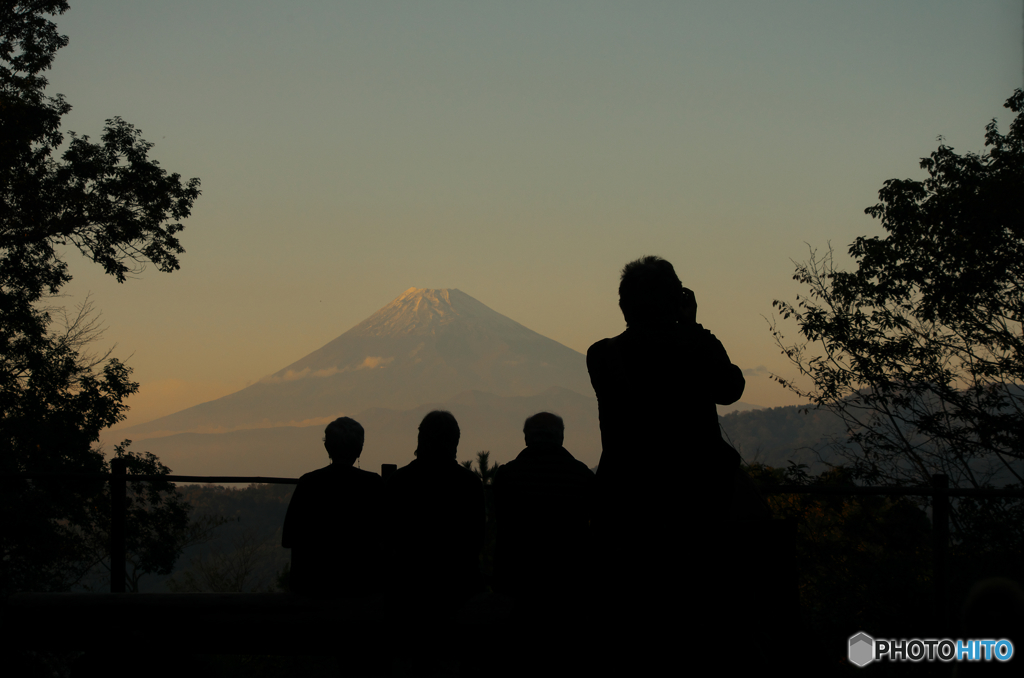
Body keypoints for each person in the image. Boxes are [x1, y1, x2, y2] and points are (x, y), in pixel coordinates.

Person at [586, 256, 746, 668]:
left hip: (627, 504)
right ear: (675, 301)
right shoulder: (694, 349)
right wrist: (692, 326)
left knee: (632, 624)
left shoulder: (603, 356)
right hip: (696, 505)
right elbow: (730, 388)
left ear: (623, 306)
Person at [383, 410, 485, 612]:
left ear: (421, 439)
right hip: (458, 587)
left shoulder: (399, 481)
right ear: (454, 442)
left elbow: (388, 536)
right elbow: (476, 538)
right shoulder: (469, 484)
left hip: (408, 587)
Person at [492, 412, 595, 604]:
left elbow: (502, 528)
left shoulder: (507, 476)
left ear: (527, 438)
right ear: (561, 437)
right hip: (570, 583)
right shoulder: (582, 476)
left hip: (518, 581)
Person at [281, 416, 383, 598]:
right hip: (362, 590)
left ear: (327, 447)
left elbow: (288, 539)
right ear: (359, 449)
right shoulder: (374, 485)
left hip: (312, 589)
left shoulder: (308, 484)